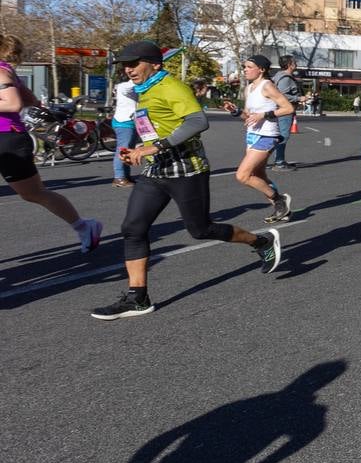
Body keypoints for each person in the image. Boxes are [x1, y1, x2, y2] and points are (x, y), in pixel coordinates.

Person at [92, 41, 280, 320]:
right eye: (125, 65)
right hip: (156, 171)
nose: (128, 69)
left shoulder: (171, 86)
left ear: (155, 64)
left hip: (186, 170)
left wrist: (154, 147)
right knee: (133, 228)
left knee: (201, 230)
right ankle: (138, 297)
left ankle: (260, 242)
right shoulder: (145, 89)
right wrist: (138, 150)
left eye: (134, 63)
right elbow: (154, 128)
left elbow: (197, 122)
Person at [0, 35, 103, 251]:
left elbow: (13, 103)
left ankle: (84, 227)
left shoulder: (0, 70)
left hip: (7, 138)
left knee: (33, 193)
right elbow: (31, 100)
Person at [225, 55, 295, 223]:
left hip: (267, 135)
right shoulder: (248, 89)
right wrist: (235, 111)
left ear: (261, 69)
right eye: (245, 67)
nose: (245, 70)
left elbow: (288, 108)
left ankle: (280, 200)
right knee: (259, 175)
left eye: (249, 67)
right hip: (252, 134)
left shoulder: (268, 86)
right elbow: (249, 116)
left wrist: (264, 114)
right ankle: (281, 210)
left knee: (243, 175)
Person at [270, 55, 301, 170]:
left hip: (279, 110)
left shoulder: (279, 76)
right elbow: (281, 95)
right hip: (284, 110)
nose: (296, 64)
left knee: (279, 136)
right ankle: (279, 162)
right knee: (283, 136)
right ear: (289, 65)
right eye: (294, 62)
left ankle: (279, 160)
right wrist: (298, 98)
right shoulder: (285, 78)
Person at [110, 74, 138, 188]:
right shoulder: (124, 86)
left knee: (128, 150)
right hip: (124, 122)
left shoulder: (136, 86)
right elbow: (130, 88)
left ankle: (125, 175)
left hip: (131, 122)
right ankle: (119, 177)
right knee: (122, 149)